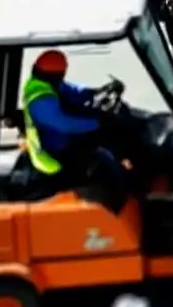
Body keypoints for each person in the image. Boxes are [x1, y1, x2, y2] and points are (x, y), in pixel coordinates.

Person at [21, 50, 132, 206]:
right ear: (58, 73)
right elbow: (63, 124)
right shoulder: (41, 99)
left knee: (103, 139)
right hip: (53, 154)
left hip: (61, 141)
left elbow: (73, 92)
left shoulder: (48, 83)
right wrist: (96, 123)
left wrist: (96, 92)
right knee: (102, 154)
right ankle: (119, 198)